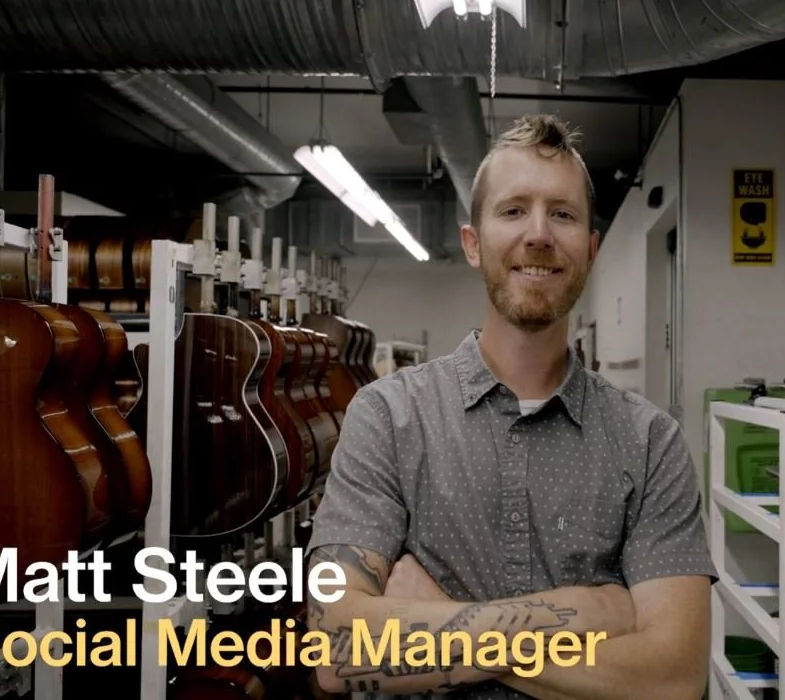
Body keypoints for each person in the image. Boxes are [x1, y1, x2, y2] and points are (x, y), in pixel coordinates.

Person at [304, 113, 716, 699]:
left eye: (563, 214)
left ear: (591, 249)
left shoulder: (650, 443)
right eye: (514, 210)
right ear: (473, 243)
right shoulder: (388, 418)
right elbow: (335, 648)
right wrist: (588, 612)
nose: (539, 234)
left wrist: (439, 618)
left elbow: (673, 678)